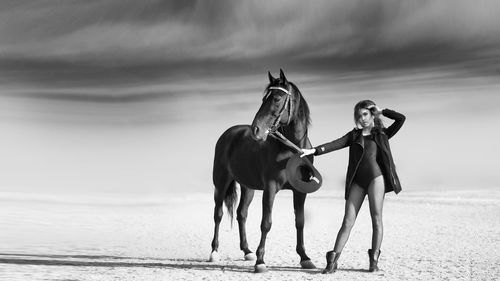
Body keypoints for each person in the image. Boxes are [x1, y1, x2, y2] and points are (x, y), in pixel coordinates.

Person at [301, 100, 405, 273]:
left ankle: (373, 262)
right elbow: (335, 144)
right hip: (357, 181)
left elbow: (401, 119)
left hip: (376, 179)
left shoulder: (382, 134)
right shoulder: (354, 135)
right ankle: (333, 261)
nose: (362, 118)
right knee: (347, 221)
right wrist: (313, 151)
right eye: (359, 115)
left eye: (365, 114)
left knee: (376, 219)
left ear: (372, 114)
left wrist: (382, 111)